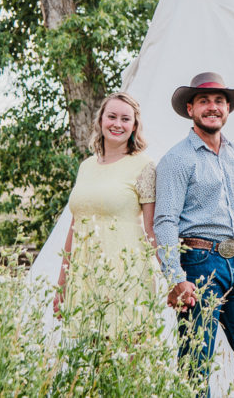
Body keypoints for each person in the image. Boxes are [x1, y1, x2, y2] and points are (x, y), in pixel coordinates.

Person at [154, 71, 234, 393]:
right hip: (198, 265)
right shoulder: (176, 160)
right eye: (204, 101)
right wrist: (176, 277)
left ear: (228, 109)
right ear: (190, 109)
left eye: (219, 101)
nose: (212, 107)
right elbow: (164, 221)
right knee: (196, 363)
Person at [53, 92, 157, 330]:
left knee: (125, 349)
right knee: (90, 354)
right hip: (84, 271)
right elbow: (74, 225)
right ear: (100, 120)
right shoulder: (86, 166)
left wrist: (174, 278)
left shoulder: (144, 165)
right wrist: (62, 283)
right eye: (111, 116)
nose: (117, 124)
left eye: (125, 119)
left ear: (134, 126)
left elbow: (152, 229)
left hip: (125, 271)